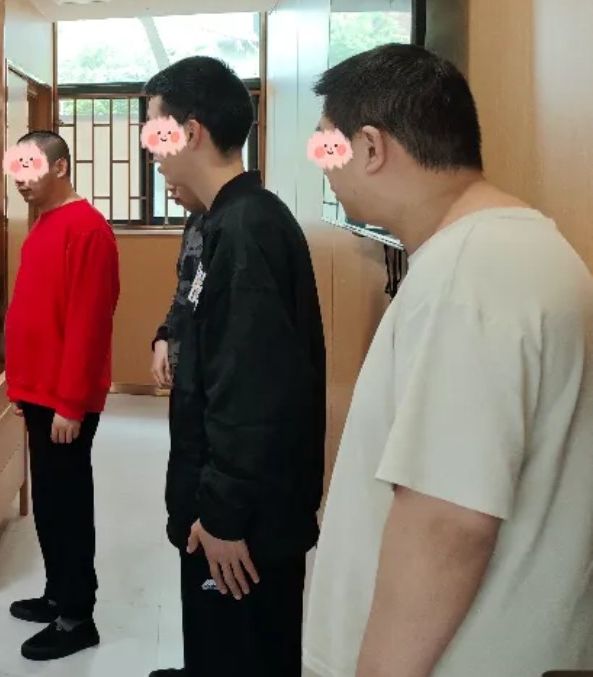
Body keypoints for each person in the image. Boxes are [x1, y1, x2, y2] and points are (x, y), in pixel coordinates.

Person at [303, 45, 593, 677]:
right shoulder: (510, 249)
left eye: (328, 145)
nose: (324, 167)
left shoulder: (470, 274)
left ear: (371, 148)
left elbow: (448, 523)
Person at [143, 56, 325, 677]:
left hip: (242, 523)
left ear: (191, 132)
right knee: (218, 645)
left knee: (242, 649)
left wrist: (221, 513)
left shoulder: (248, 229)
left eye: (157, 132)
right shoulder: (223, 219)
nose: (152, 151)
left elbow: (253, 394)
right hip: (224, 500)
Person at [3, 130, 120, 662]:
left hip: (64, 400)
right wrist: (22, 385)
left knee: (68, 506)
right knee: (49, 503)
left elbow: (89, 324)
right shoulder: (43, 224)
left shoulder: (88, 228)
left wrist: (70, 403)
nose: (21, 180)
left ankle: (77, 617)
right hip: (39, 391)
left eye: (30, 168)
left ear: (60, 167)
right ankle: (56, 593)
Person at [151, 182, 206, 391]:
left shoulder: (235, 223)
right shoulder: (195, 222)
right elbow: (185, 291)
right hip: (186, 361)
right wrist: (164, 336)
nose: (168, 186)